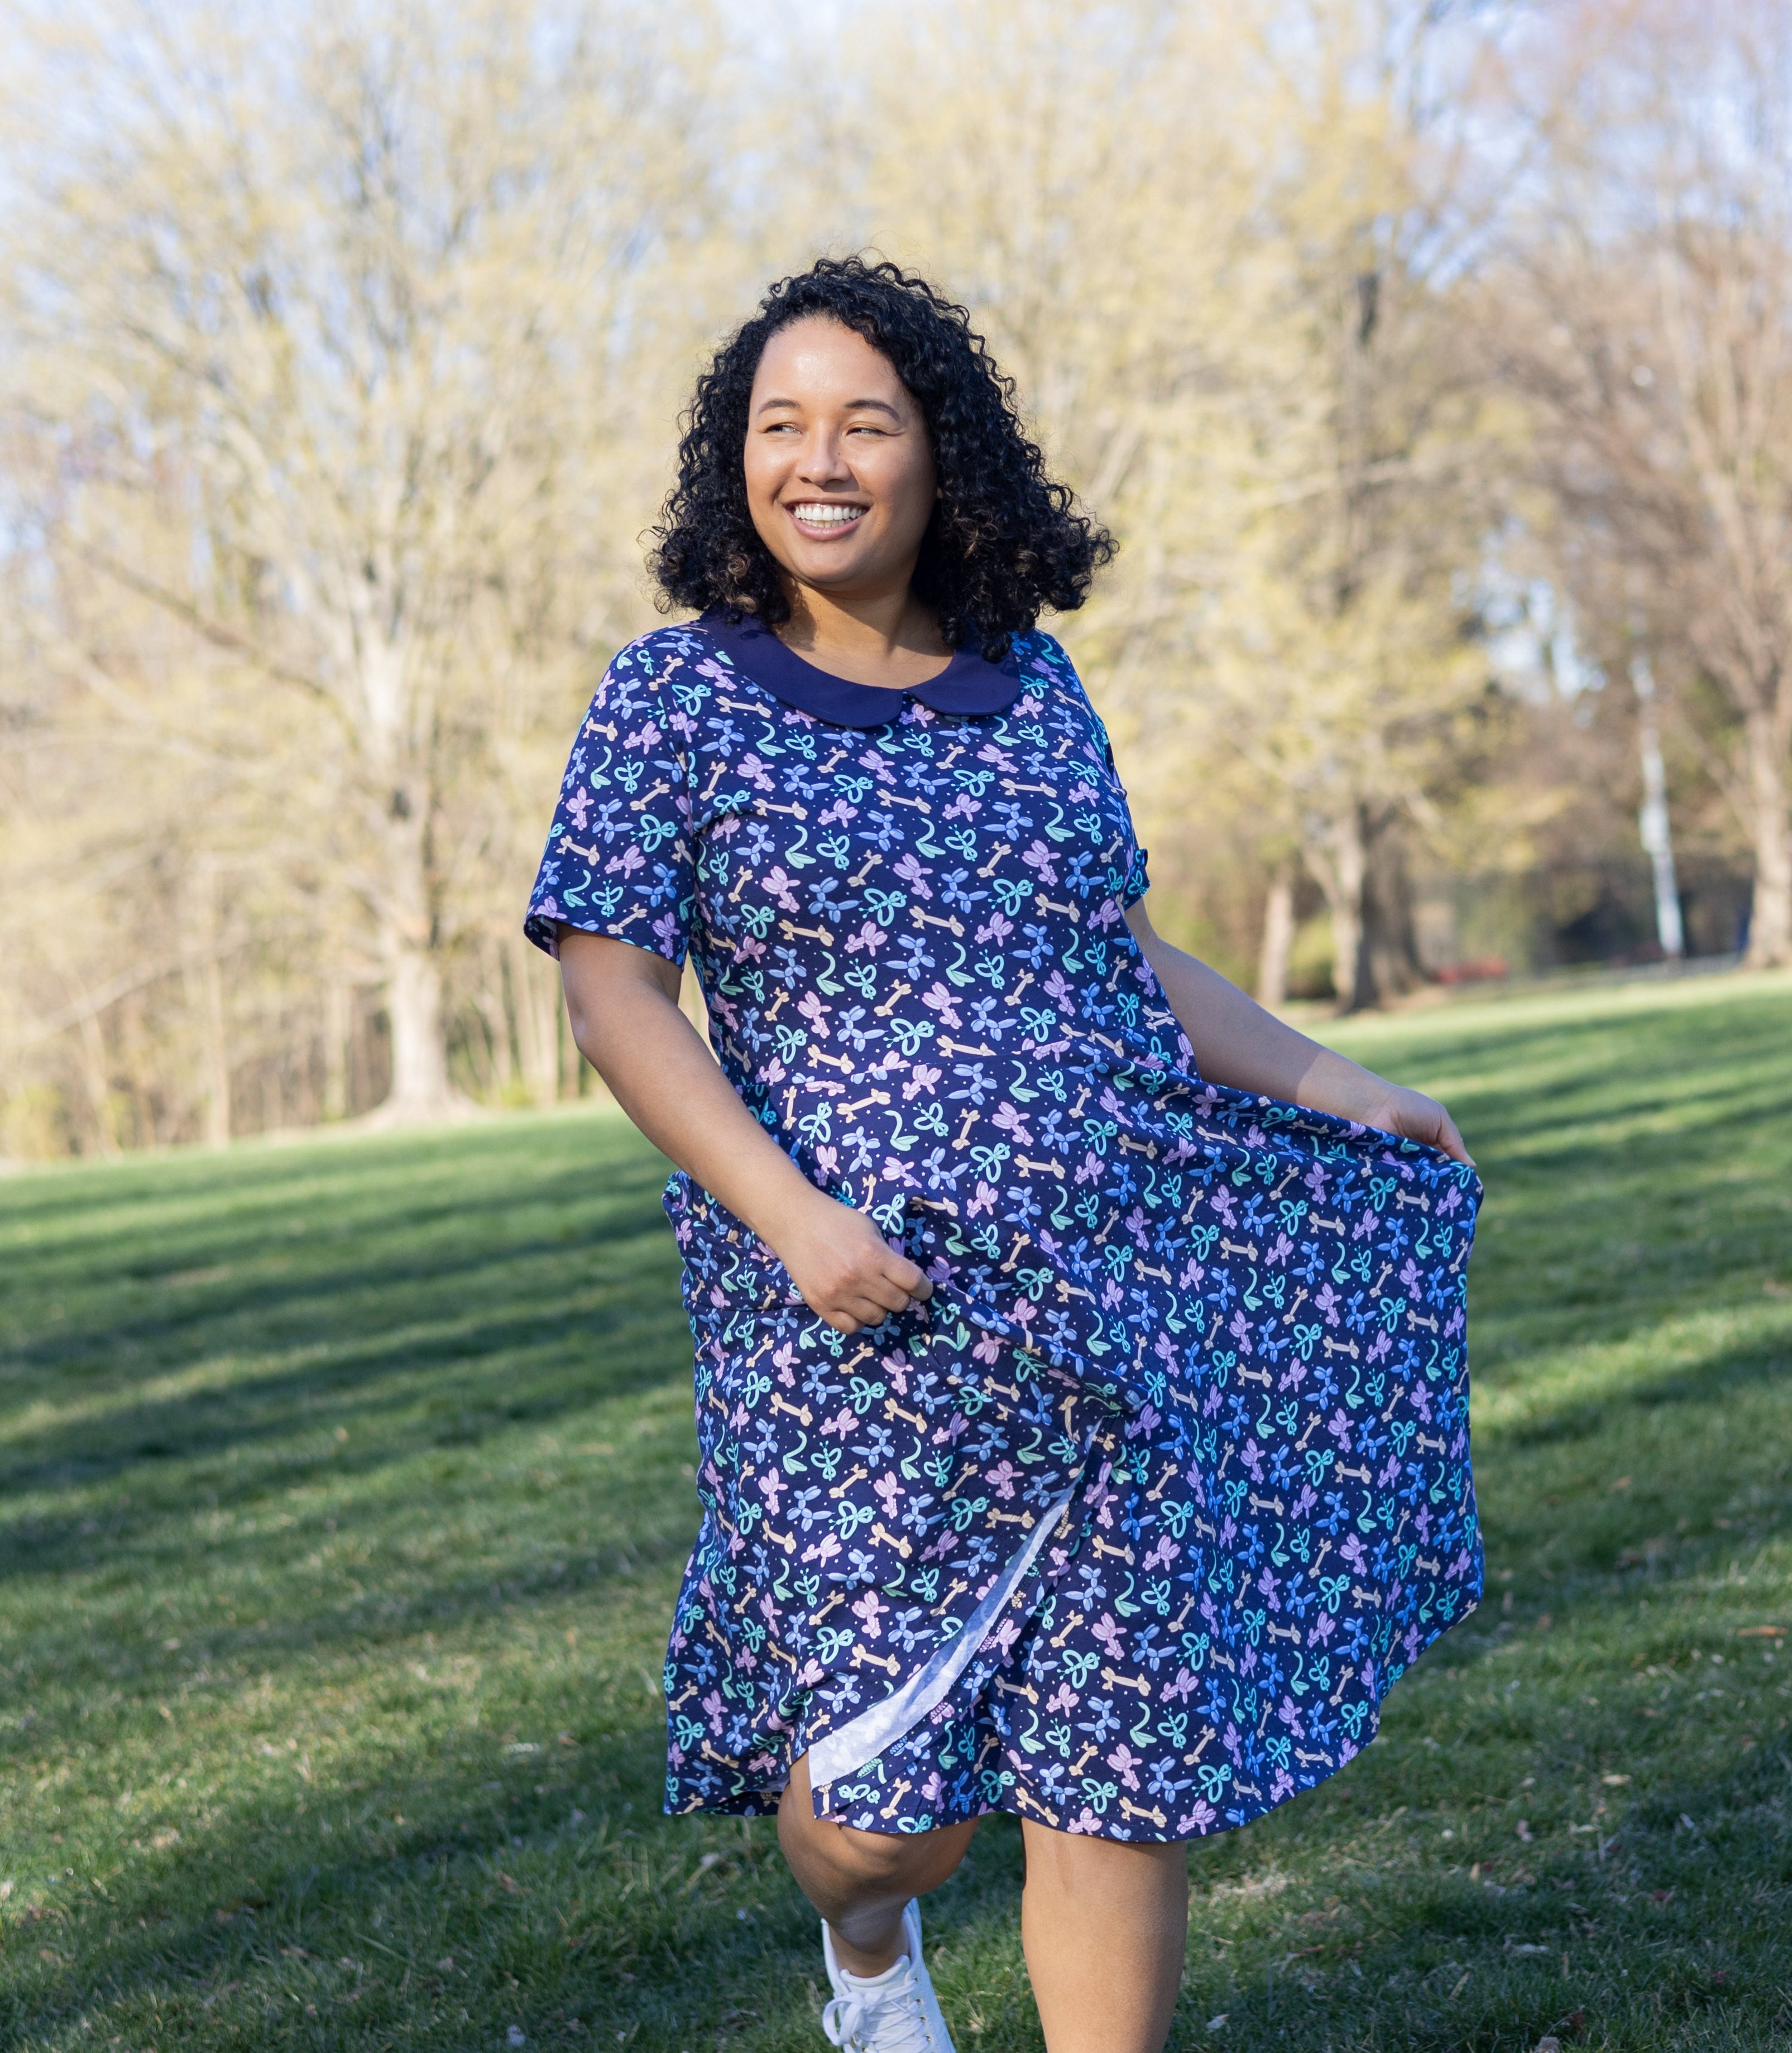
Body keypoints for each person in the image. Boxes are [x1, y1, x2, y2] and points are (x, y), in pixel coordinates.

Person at [525, 257, 1483, 2053]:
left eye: (862, 423)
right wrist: (796, 1219)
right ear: (731, 464)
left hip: (1125, 1285)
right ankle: (870, 1951)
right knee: (896, 1808)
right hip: (861, 1324)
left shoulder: (1033, 692)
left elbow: (1122, 955)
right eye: (778, 426)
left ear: (938, 456)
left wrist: (1342, 1085)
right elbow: (615, 997)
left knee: (1118, 1765)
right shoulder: (674, 700)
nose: (817, 459)